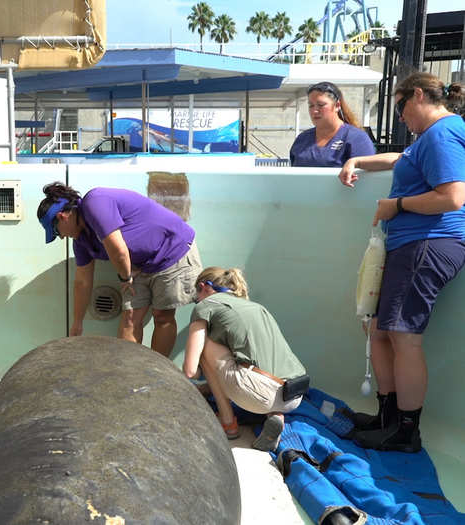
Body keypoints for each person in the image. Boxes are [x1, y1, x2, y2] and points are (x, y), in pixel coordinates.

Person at [338, 73, 465, 453]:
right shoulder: (428, 138)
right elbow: (400, 158)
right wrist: (357, 159)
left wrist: (397, 206)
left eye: (399, 106)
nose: (399, 117)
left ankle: (405, 432)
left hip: (427, 245)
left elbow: (453, 197)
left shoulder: (443, 134)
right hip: (415, 246)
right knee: (379, 330)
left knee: (403, 337)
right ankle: (388, 416)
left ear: (420, 95)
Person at [37, 183, 202, 357]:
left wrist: (125, 278)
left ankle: (157, 375)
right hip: (135, 267)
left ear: (62, 216)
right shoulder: (81, 242)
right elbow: (82, 282)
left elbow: (119, 250)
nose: (61, 237)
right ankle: (127, 376)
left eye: (56, 232)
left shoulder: (95, 202)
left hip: (172, 250)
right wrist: (77, 324)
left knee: (162, 316)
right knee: (130, 318)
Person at [182, 267, 307, 452]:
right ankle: (276, 416)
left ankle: (228, 424)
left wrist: (200, 371)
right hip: (294, 395)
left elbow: (190, 371)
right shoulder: (256, 307)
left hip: (259, 395)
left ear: (203, 287)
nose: (197, 301)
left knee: (205, 345)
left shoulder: (206, 306)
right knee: (251, 361)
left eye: (196, 296)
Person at [290, 81, 375, 167]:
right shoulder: (302, 139)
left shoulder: (356, 138)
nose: (314, 111)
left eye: (321, 105)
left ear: (337, 106)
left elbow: (367, 176)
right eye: (311, 105)